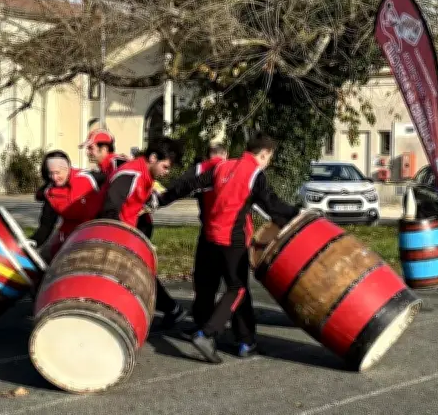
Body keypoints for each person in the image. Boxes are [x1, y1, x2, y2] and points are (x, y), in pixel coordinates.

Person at [157, 132, 300, 363]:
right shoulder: (254, 173)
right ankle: (208, 334)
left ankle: (243, 340)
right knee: (238, 289)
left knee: (213, 287)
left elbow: (191, 185)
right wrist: (297, 214)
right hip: (232, 240)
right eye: (269, 158)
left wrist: (161, 200)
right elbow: (272, 205)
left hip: (210, 237)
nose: (268, 163)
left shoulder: (222, 166)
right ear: (264, 154)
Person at [98, 136, 188, 329]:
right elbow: (109, 210)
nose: (166, 172)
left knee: (139, 275)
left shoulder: (143, 174)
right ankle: (170, 309)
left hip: (129, 233)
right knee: (134, 276)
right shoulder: (130, 175)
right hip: (116, 235)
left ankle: (170, 310)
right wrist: (118, 240)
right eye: (165, 167)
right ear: (153, 158)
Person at [175, 143, 228, 339]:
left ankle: (202, 325)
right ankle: (244, 337)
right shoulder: (233, 170)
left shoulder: (202, 170)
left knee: (204, 282)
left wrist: (160, 199)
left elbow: (181, 186)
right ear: (226, 154)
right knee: (235, 286)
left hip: (209, 233)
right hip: (232, 236)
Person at [29, 150, 105, 263]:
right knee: (42, 258)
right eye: (51, 173)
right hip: (67, 235)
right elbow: (46, 225)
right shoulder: (50, 193)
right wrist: (34, 241)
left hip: (95, 233)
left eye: (57, 173)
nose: (54, 177)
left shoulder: (91, 178)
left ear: (68, 168)